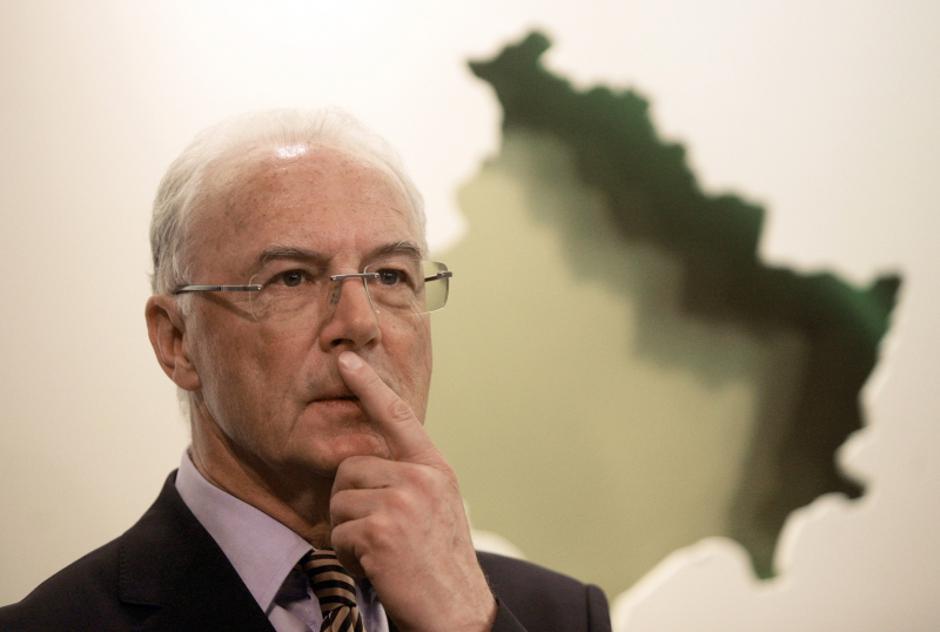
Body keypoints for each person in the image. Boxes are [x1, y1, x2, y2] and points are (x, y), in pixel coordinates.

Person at [0, 109, 611, 631]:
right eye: (292, 277)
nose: (359, 321)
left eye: (389, 276)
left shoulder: (555, 614)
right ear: (177, 342)